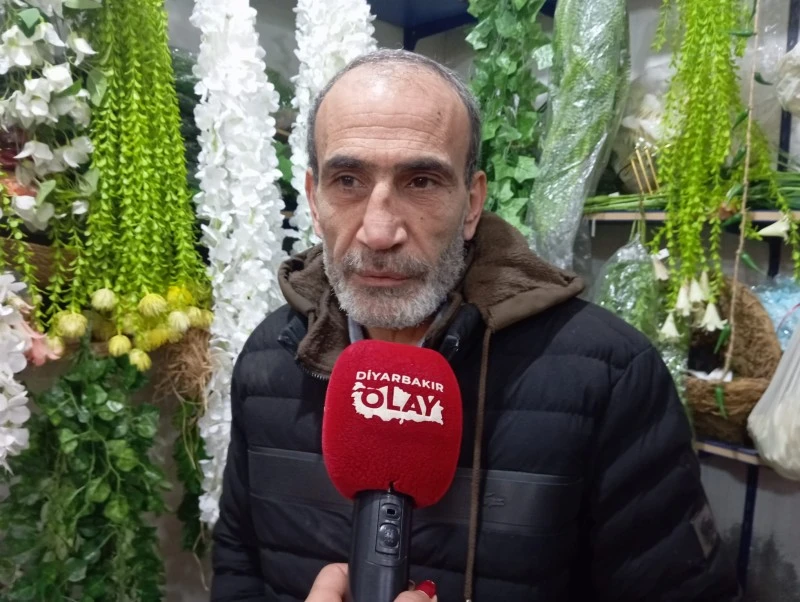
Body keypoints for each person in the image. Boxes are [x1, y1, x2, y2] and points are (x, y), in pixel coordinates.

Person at [210, 49, 740, 602]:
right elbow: (238, 563)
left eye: (421, 181)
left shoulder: (609, 375)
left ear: (472, 203)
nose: (379, 231)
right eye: (347, 179)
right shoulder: (270, 358)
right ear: (315, 202)